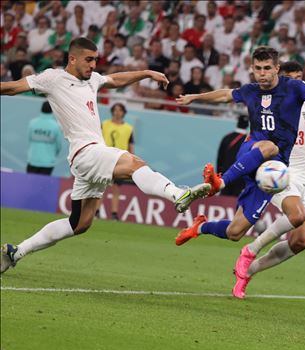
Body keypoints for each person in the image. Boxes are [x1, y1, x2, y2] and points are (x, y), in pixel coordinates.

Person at [0, 37, 209, 275]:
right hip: (85, 152)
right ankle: (177, 194)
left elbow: (116, 79)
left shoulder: (92, 80)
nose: (93, 65)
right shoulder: (53, 78)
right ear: (72, 58)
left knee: (79, 224)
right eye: (89, 60)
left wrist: (147, 72)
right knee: (134, 163)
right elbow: (12, 87)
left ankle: (15, 252)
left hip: (89, 156)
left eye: (95, 60)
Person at [172, 47, 305, 246]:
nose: (262, 73)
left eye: (267, 68)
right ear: (252, 68)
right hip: (253, 151)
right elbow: (225, 95)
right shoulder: (250, 91)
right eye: (258, 68)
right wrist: (195, 97)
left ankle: (199, 227)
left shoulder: (294, 88)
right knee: (270, 146)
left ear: (277, 68)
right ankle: (220, 183)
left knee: (235, 232)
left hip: (272, 168)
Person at [230, 61, 305, 299]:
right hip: (281, 171)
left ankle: (250, 270)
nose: (298, 82)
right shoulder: (273, 105)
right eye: (292, 78)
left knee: (302, 240)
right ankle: (250, 249)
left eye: (301, 77)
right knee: (296, 216)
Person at [102, 103, 134, 220]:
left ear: (123, 112)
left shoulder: (128, 128)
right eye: (115, 110)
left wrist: (131, 160)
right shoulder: (104, 124)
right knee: (101, 186)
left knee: (116, 187)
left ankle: (114, 213)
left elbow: (130, 146)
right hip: (104, 159)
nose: (117, 112)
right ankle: (96, 211)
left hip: (119, 161)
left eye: (120, 110)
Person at [216, 115, 250, 197]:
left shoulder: (227, 138)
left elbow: (220, 158)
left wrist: (219, 175)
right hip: (240, 176)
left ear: (237, 123)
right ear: (247, 125)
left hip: (226, 175)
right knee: (236, 202)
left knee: (223, 200)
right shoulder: (249, 141)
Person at [25, 101, 62, 175]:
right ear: (52, 110)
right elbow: (59, 146)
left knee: (30, 185)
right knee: (43, 186)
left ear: (41, 109)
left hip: (32, 161)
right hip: (48, 163)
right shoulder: (56, 126)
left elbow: (29, 140)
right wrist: (51, 156)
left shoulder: (32, 123)